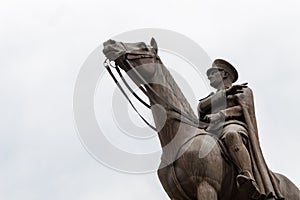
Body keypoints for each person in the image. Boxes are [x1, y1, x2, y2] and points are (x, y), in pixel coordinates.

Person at [197, 59, 284, 200]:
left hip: (233, 125)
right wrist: (225, 93)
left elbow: (245, 110)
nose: (209, 77)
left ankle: (247, 176)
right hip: (211, 130)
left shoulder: (243, 90)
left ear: (224, 74)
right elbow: (201, 107)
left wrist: (221, 115)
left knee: (232, 135)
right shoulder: (211, 98)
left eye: (213, 73)